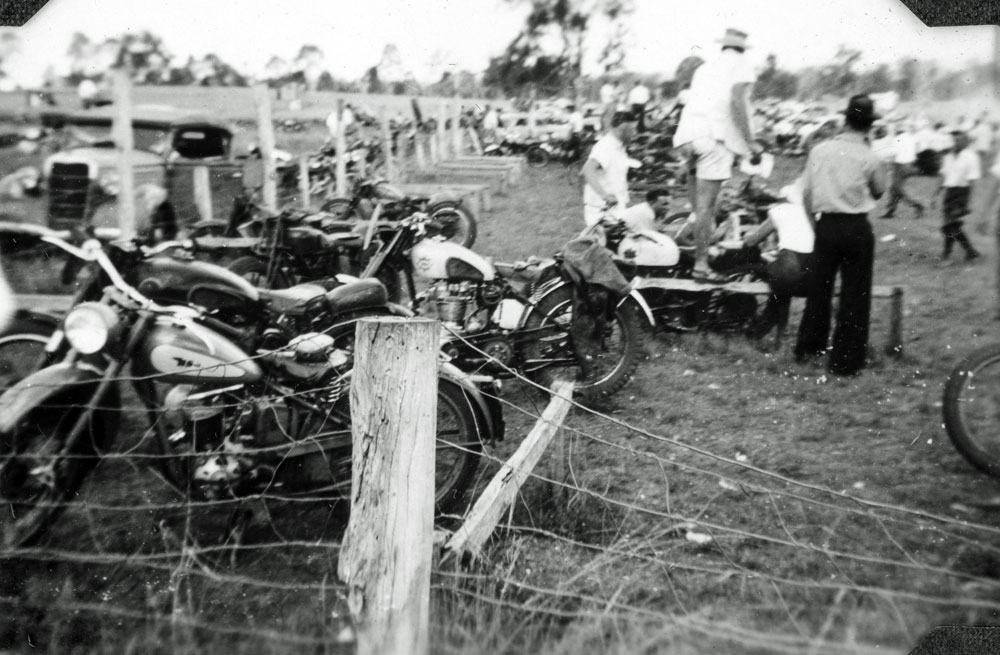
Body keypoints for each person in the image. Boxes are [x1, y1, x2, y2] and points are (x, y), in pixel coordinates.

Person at [794, 94, 887, 377]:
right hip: (856, 226)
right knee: (855, 295)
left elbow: (807, 194)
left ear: (845, 120)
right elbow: (879, 190)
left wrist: (815, 227)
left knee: (819, 291)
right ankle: (846, 360)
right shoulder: (869, 156)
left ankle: (809, 348)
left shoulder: (820, 150)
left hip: (826, 225)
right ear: (869, 126)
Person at [672, 27, 762, 283]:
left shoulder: (704, 68)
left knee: (697, 207)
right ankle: (701, 265)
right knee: (706, 208)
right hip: (713, 138)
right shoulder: (742, 64)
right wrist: (751, 141)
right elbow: (737, 103)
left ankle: (694, 254)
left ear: (723, 46)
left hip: (687, 137)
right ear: (742, 48)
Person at [740, 180, 815, 342]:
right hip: (812, 276)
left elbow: (752, 241)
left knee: (778, 281)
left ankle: (760, 329)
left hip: (788, 272)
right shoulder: (812, 213)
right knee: (782, 283)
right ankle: (772, 336)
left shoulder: (780, 210)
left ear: (786, 198)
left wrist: (747, 237)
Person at [581, 109, 638, 227]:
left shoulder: (619, 147)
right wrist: (604, 195)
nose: (635, 133)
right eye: (633, 129)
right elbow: (587, 170)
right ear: (623, 129)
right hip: (602, 210)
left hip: (615, 207)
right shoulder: (606, 146)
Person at [937, 130, 981, 263]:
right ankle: (970, 251)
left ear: (966, 141)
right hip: (950, 193)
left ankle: (947, 255)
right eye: (954, 140)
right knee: (951, 225)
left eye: (959, 140)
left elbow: (973, 181)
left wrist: (970, 202)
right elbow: (943, 176)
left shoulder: (971, 157)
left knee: (948, 226)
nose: (955, 143)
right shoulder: (948, 156)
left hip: (963, 193)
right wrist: (935, 195)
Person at [881, 121, 924, 219]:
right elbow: (918, 151)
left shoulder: (898, 139)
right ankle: (890, 210)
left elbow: (892, 152)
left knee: (896, 188)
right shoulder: (913, 138)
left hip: (900, 165)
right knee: (894, 189)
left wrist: (887, 160)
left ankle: (917, 205)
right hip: (909, 164)